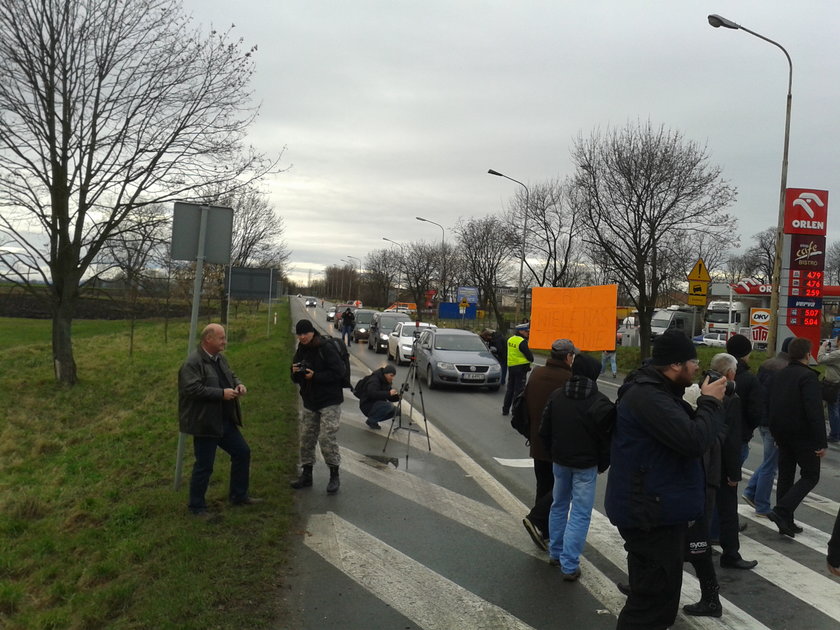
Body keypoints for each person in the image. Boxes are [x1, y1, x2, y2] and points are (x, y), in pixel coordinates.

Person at [606, 329, 726, 630]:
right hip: (650, 515)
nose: (697, 367)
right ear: (675, 365)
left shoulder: (656, 392)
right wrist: (710, 403)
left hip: (655, 509)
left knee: (658, 601)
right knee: (651, 606)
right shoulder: (648, 397)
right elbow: (694, 440)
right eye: (692, 361)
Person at [539, 352, 614, 581]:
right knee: (580, 513)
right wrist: (602, 464)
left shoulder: (557, 396)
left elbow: (544, 431)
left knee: (558, 505)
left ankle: (555, 553)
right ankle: (569, 565)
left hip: (560, 462)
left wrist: (554, 453)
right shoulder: (600, 402)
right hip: (586, 466)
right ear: (594, 375)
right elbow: (607, 440)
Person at [679, 352, 740, 617]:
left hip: (705, 483)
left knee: (698, 546)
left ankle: (712, 599)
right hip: (698, 482)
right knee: (687, 544)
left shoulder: (717, 412)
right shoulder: (707, 413)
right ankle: (640, 586)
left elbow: (724, 440)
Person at [179, 323, 259, 517]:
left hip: (224, 420)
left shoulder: (219, 359)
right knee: (204, 465)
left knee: (242, 452)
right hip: (205, 422)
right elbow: (191, 389)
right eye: (221, 338)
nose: (225, 341)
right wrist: (221, 394)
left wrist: (238, 385)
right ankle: (196, 507)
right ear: (208, 339)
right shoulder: (193, 362)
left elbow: (230, 375)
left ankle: (238, 496)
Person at [520, 338, 577, 552]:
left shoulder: (536, 373)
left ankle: (543, 530)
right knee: (561, 489)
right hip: (558, 444)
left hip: (537, 440)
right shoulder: (569, 379)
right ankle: (537, 520)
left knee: (543, 485)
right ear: (568, 356)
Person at [767, 337, 827, 537]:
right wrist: (821, 441)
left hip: (782, 433)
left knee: (786, 474)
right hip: (804, 435)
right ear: (807, 355)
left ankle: (786, 521)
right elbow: (814, 411)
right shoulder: (808, 377)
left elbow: (772, 404)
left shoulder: (780, 374)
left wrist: (775, 432)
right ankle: (782, 510)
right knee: (811, 475)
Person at [713, 335, 759, 570]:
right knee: (728, 506)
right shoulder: (733, 397)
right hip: (727, 455)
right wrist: (734, 473)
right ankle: (730, 552)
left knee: (708, 501)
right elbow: (731, 438)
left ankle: (708, 536)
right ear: (730, 374)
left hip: (704, 456)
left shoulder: (702, 389)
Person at [290, 319, 345, 494]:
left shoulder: (326, 347)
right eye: (299, 334)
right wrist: (295, 372)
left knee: (326, 438)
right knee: (306, 438)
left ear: (312, 332)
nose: (302, 337)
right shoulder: (301, 349)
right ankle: (306, 475)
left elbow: (339, 373)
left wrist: (316, 376)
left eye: (305, 333)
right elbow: (295, 377)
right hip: (310, 400)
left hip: (330, 400)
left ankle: (334, 475)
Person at [744, 336, 793, 517]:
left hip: (762, 419)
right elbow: (782, 399)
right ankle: (762, 505)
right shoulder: (786, 369)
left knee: (768, 461)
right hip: (774, 422)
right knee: (771, 465)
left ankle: (750, 491)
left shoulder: (768, 364)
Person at [502, 323, 534, 416]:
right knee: (519, 390)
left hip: (511, 367)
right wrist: (530, 359)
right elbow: (529, 356)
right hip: (521, 368)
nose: (527, 333)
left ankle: (505, 409)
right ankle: (515, 411)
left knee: (510, 389)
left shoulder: (510, 339)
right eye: (526, 331)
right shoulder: (522, 341)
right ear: (520, 331)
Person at [359, 364, 400, 430]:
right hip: (367, 405)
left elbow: (389, 397)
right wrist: (389, 393)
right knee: (389, 406)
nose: (392, 378)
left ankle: (374, 420)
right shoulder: (375, 379)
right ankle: (371, 420)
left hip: (377, 404)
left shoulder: (386, 381)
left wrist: (398, 396)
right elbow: (372, 394)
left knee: (397, 411)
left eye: (394, 376)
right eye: (391, 375)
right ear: (385, 374)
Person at [817, 337, 840, 442]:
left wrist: (823, 346)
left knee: (833, 409)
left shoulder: (837, 354)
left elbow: (820, 359)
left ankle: (835, 434)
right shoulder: (835, 354)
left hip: (834, 385)